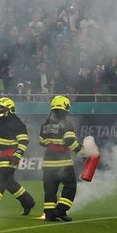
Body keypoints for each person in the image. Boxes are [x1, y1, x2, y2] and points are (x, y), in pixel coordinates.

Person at [0, 96, 35, 217]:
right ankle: (28, 202)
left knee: (0, 180)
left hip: (11, 157)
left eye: (2, 108)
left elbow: (24, 141)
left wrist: (17, 155)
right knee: (9, 183)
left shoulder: (18, 124)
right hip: (0, 158)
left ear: (10, 109)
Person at [38, 94, 82, 222]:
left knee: (50, 190)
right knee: (70, 186)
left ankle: (50, 214)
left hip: (48, 163)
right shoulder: (67, 124)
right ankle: (61, 210)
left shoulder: (45, 125)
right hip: (63, 163)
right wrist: (82, 152)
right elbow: (70, 142)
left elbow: (41, 142)